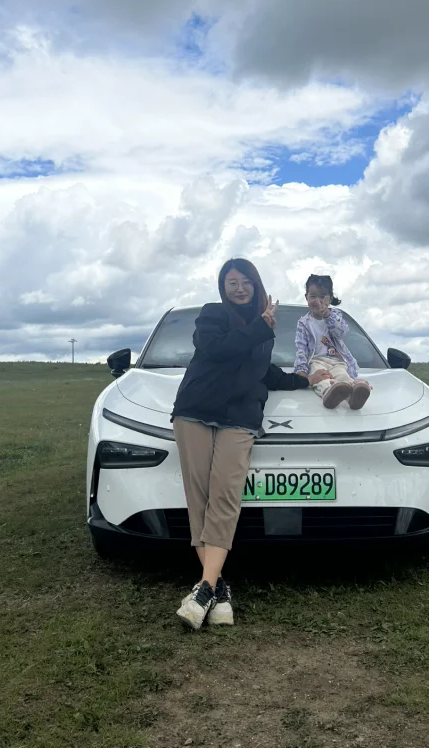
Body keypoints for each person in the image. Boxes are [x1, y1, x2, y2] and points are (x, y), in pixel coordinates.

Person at [171, 258, 320, 630]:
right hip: (196, 410)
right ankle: (218, 592)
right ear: (223, 288)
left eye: (245, 282)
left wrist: (303, 379)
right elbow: (216, 349)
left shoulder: (261, 330)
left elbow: (262, 371)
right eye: (231, 282)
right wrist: (260, 327)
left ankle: (205, 590)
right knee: (200, 498)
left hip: (240, 417)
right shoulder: (213, 315)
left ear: (256, 285)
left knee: (225, 495)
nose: (239, 288)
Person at [294, 273, 371, 410]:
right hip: (316, 361)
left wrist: (327, 316)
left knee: (343, 376)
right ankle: (328, 393)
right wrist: (301, 371)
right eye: (313, 296)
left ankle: (353, 396)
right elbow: (301, 348)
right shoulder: (304, 323)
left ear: (330, 298)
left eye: (322, 296)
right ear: (306, 297)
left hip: (337, 360)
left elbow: (341, 331)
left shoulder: (336, 316)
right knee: (320, 378)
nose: (317, 301)